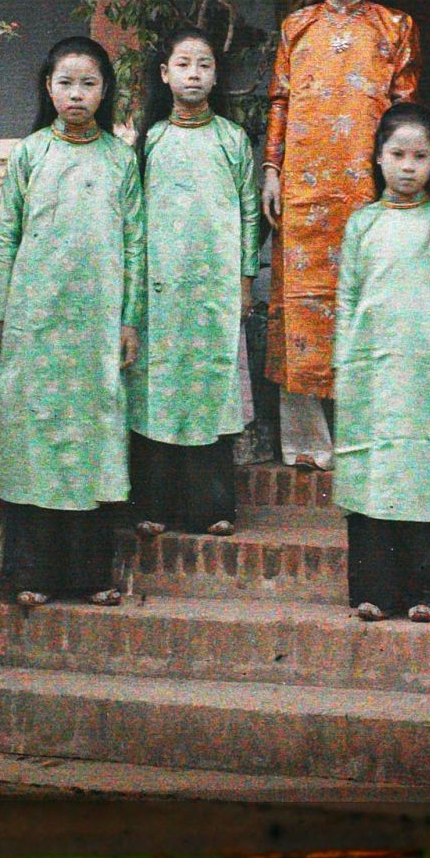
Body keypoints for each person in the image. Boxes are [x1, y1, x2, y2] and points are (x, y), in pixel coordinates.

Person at [0, 36, 144, 610]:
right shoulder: (30, 154)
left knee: (91, 440)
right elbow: (6, 239)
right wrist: (1, 317)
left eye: (89, 84)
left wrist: (130, 321)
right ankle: (32, 574)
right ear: (47, 89)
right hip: (35, 323)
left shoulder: (121, 160)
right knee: (36, 439)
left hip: (98, 325)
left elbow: (135, 244)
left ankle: (90, 575)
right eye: (66, 83)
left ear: (105, 91)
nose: (77, 94)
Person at [263, 0, 422, 472]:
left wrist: (396, 178)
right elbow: (280, 101)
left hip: (365, 186)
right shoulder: (297, 26)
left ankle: (369, 433)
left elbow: (405, 109)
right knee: (301, 307)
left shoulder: (394, 25)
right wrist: (271, 169)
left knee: (368, 304)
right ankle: (306, 441)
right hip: (302, 189)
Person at [332, 102, 430, 624]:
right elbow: (347, 298)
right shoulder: (362, 224)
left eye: (419, 156)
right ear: (378, 158)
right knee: (377, 474)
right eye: (397, 155)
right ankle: (377, 591)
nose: (408, 167)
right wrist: (343, 364)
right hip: (373, 371)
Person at [129, 27, 260, 538]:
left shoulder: (231, 139)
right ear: (165, 74)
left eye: (204, 65)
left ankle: (212, 507)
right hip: (160, 290)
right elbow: (134, 219)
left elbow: (249, 213)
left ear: (216, 75)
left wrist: (245, 279)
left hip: (216, 290)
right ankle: (155, 506)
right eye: (183, 65)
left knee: (211, 390)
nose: (194, 75)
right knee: (161, 392)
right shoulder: (151, 140)